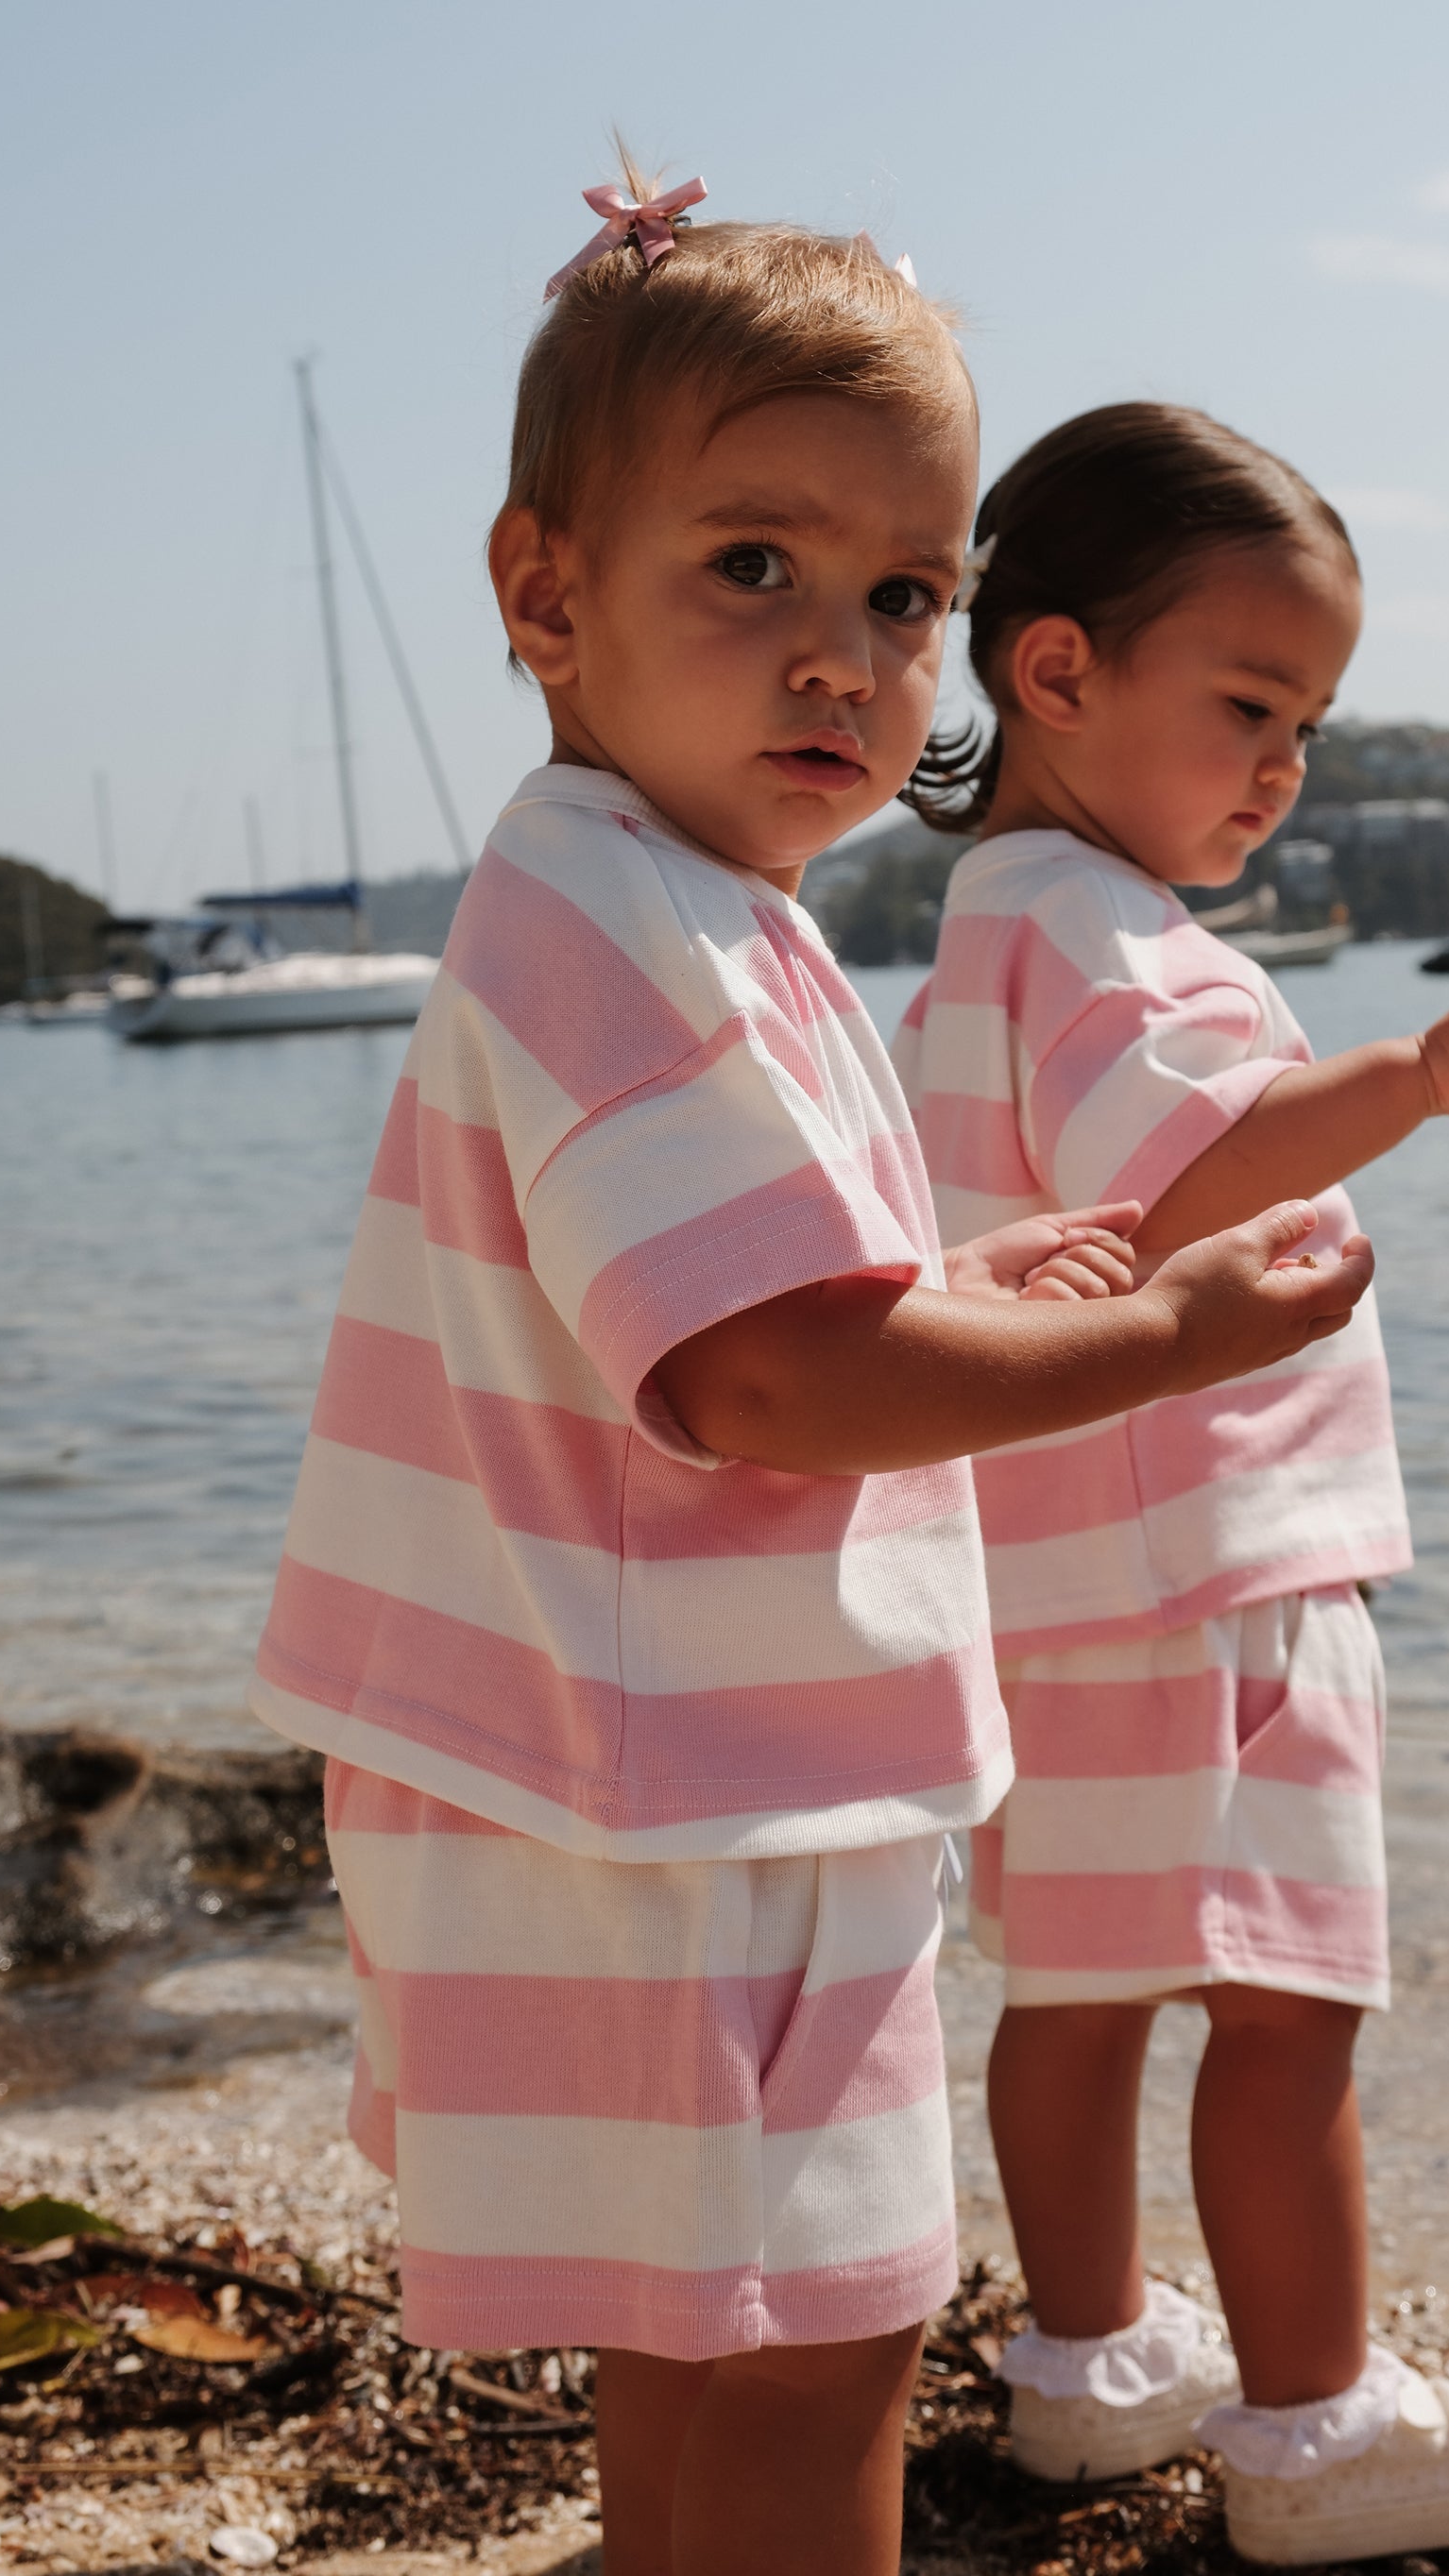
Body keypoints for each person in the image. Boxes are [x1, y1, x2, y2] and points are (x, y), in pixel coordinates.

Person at [251, 195, 1378, 2576]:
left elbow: (701, 1314)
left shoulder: (639, 897)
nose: (840, 661)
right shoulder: (635, 927)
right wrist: (1155, 1335)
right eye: (753, 565)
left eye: (898, 599)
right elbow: (767, 1378)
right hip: (693, 1802)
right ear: (544, 595)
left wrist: (963, 1267)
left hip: (615, 1775)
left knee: (704, 2345)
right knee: (816, 2344)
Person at [895, 402, 1449, 2567]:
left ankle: (1089, 2369)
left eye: (1303, 718)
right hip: (1218, 1561)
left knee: (1077, 1989)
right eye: (1245, 704)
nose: (1279, 762)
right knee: (1289, 1996)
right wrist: (1416, 1068)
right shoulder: (1111, 936)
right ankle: (1315, 2432)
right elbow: (1196, 1165)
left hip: (1056, 1562)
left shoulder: (987, 921)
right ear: (1053, 673)